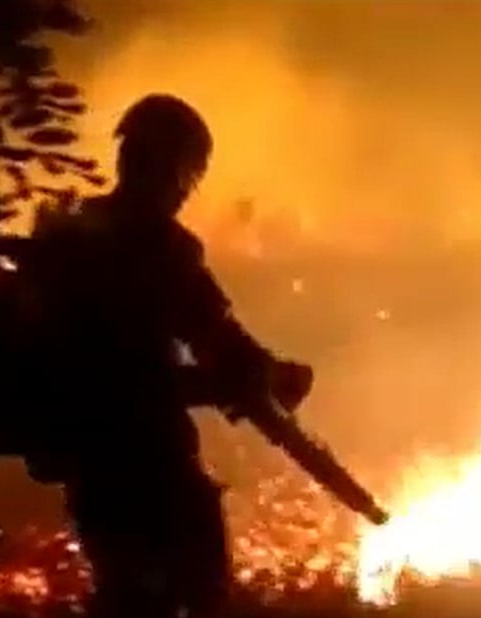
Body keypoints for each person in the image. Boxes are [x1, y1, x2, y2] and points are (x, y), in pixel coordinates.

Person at [19, 93, 307, 617]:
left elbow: (213, 335)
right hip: (143, 463)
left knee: (131, 595)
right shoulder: (156, 248)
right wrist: (241, 378)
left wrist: (263, 371)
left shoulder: (71, 237)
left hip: (98, 465)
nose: (182, 191)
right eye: (187, 175)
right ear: (174, 169)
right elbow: (143, 371)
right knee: (182, 593)